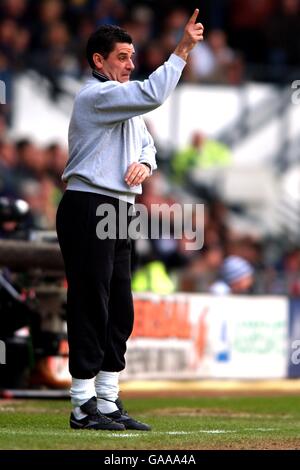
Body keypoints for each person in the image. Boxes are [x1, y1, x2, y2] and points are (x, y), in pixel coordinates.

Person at [56, 10, 204, 431]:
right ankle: (82, 404)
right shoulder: (95, 96)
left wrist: (143, 162)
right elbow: (152, 94)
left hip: (120, 209)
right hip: (89, 204)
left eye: (132, 56)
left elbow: (148, 146)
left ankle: (106, 399)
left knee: (119, 307)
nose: (130, 63)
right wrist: (181, 50)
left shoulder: (122, 104)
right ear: (98, 61)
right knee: (91, 302)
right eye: (122, 56)